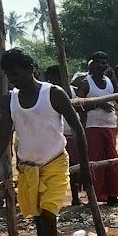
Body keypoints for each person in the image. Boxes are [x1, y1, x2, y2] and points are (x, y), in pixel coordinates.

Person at [0, 49, 88, 236]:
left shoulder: (53, 93)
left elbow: (77, 128)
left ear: (30, 68)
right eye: (9, 75)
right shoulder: (10, 100)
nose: (13, 78)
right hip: (27, 168)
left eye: (16, 73)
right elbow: (4, 135)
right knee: (40, 220)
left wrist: (85, 167)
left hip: (55, 162)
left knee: (49, 215)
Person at [76, 52, 118, 204]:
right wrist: (99, 103)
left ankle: (112, 194)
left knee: (112, 160)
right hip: (92, 126)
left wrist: (114, 81)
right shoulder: (86, 83)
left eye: (104, 63)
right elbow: (79, 105)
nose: (101, 65)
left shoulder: (110, 82)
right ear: (92, 64)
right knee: (95, 161)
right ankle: (95, 195)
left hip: (110, 125)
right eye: (98, 62)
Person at [45, 65, 83, 207]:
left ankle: (75, 196)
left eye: (57, 78)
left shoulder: (73, 92)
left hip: (70, 133)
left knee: (74, 167)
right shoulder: (46, 93)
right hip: (53, 136)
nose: (55, 81)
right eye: (52, 79)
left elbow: (80, 111)